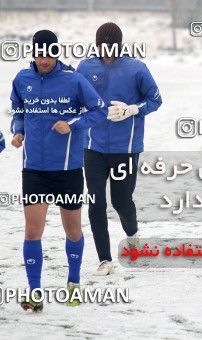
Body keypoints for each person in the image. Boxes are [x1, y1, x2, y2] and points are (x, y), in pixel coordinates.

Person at [10, 29, 107, 311]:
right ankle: (35, 292)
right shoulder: (22, 79)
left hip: (67, 170)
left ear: (56, 52)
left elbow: (98, 110)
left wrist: (72, 124)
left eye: (48, 53)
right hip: (34, 170)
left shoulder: (73, 80)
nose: (43, 59)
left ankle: (73, 283)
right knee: (31, 231)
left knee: (73, 230)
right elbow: (18, 111)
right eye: (38, 53)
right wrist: (18, 132)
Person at [77, 22, 162, 275]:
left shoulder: (137, 69)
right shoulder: (85, 67)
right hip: (93, 147)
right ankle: (105, 259)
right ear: (97, 44)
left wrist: (132, 109)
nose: (107, 50)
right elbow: (74, 98)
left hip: (126, 148)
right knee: (96, 203)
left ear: (120, 44)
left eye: (111, 44)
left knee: (122, 200)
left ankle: (133, 235)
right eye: (102, 44)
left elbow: (156, 99)